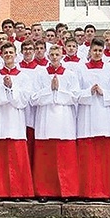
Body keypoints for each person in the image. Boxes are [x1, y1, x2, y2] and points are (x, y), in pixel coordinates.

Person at [0, 42, 34, 199]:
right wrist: (3, 88)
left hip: (15, 121)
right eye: (6, 53)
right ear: (1, 55)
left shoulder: (24, 76)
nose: (8, 55)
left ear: (16, 55)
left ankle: (18, 191)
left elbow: (25, 99)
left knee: (16, 157)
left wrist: (11, 88)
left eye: (11, 52)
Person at [32, 45, 80, 201]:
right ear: (47, 55)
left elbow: (75, 97)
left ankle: (66, 192)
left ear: (62, 55)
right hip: (45, 120)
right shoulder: (40, 75)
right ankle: (44, 191)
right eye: (51, 54)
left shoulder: (70, 75)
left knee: (65, 158)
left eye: (57, 54)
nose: (54, 57)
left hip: (64, 120)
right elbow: (33, 98)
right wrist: (50, 91)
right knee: (45, 159)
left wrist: (58, 90)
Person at [76, 39, 110, 200]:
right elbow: (75, 93)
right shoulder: (81, 69)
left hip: (105, 116)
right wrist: (88, 92)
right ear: (89, 51)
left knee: (105, 157)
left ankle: (107, 191)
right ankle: (87, 192)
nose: (97, 53)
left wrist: (103, 93)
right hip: (87, 116)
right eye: (94, 50)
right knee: (88, 157)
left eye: (99, 51)